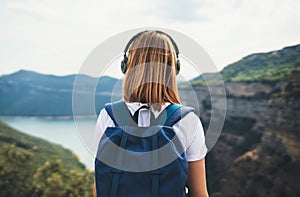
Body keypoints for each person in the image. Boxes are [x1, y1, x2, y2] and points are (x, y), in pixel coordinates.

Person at [94, 30, 209, 197]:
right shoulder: (187, 120)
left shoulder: (109, 115)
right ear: (174, 68)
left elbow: (100, 188)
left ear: (127, 66)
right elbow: (199, 193)